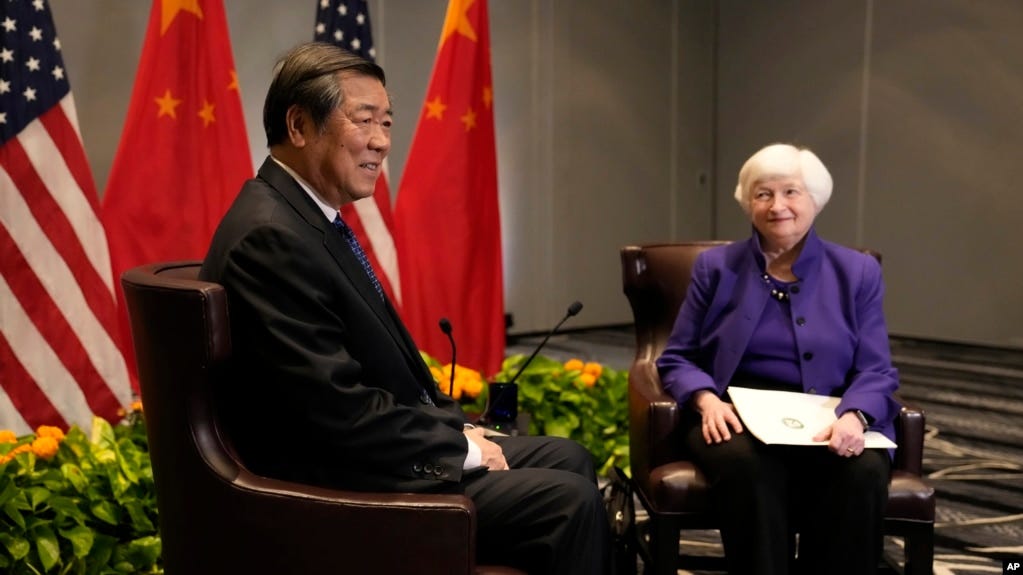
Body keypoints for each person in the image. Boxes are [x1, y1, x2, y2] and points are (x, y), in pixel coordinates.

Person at [199, 42, 609, 574]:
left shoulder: (303, 217)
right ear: (298, 125)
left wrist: (455, 431)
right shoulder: (271, 238)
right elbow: (334, 410)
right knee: (568, 502)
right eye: (364, 120)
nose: (381, 142)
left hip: (361, 453)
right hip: (331, 487)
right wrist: (456, 449)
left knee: (569, 458)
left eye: (387, 123)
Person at [655, 143, 901, 575]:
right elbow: (677, 358)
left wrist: (855, 417)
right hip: (734, 417)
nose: (777, 206)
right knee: (745, 466)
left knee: (861, 471)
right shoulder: (715, 268)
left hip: (830, 415)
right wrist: (706, 402)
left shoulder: (857, 271)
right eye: (763, 193)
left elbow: (876, 368)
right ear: (748, 202)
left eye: (791, 192)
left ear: (815, 200)